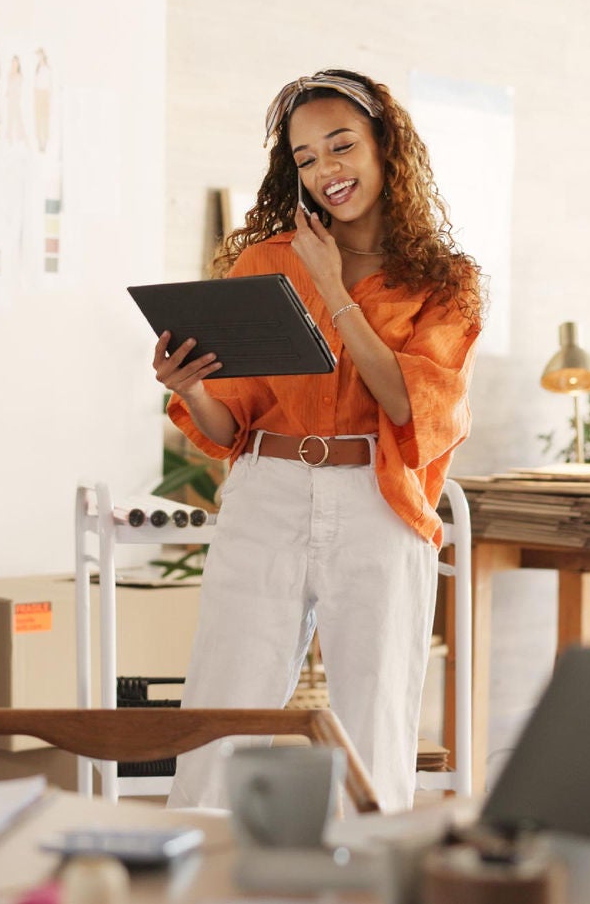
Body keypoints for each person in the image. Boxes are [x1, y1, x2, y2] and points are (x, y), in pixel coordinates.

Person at [156, 69, 483, 814]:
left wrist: (334, 288)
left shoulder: (444, 282)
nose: (326, 171)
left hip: (377, 500)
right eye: (305, 158)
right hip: (267, 490)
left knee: (374, 720)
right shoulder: (264, 264)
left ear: (384, 146)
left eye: (340, 146)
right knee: (222, 708)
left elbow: (409, 399)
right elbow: (228, 425)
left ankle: (364, 885)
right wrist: (191, 387)